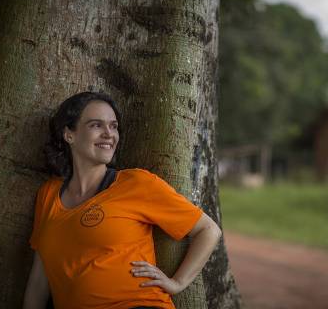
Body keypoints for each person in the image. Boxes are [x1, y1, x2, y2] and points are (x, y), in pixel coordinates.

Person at [23, 91, 222, 309]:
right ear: (69, 134)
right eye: (96, 125)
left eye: (114, 126)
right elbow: (39, 278)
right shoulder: (49, 194)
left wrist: (177, 283)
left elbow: (208, 230)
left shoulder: (136, 183)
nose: (109, 134)